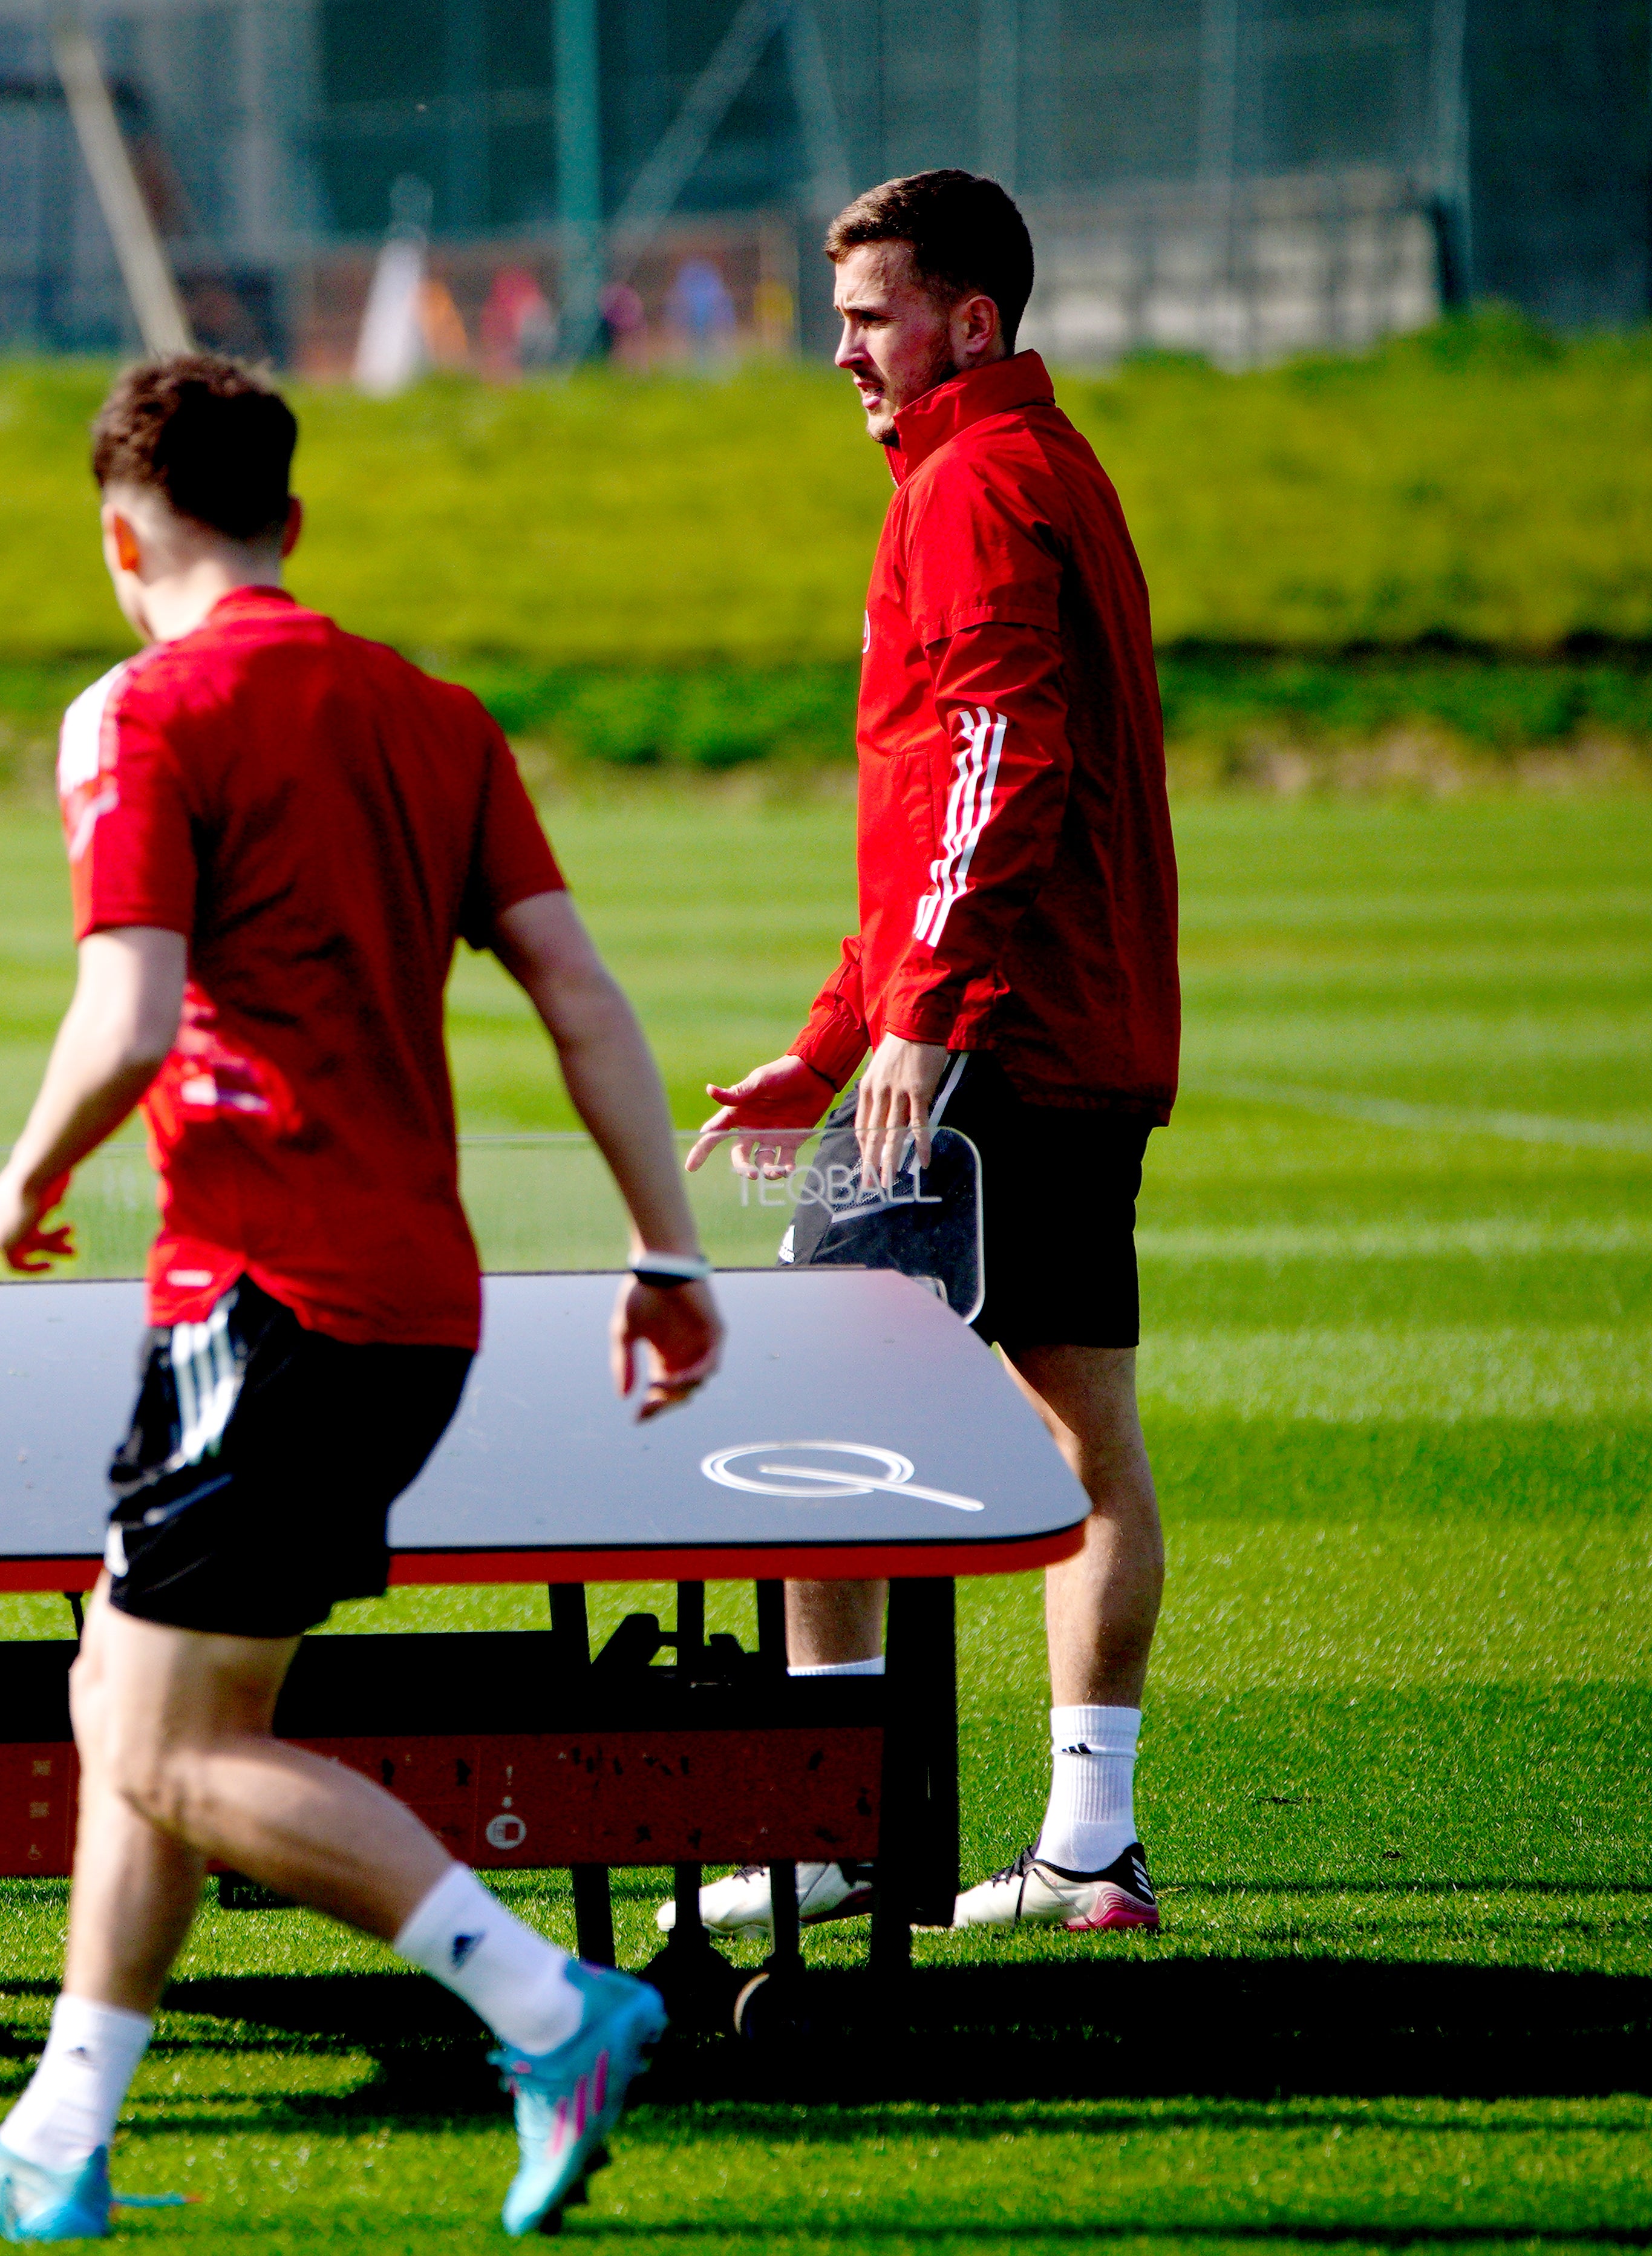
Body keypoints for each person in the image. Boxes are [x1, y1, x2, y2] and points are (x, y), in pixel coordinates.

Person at [0, 359, 723, 2245]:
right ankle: (58, 2145)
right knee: (127, 1698)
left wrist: (28, 1172)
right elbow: (578, 996)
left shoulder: (147, 713)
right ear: (294, 524)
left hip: (262, 1299)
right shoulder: (432, 713)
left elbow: (129, 1013)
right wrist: (669, 1252)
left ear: (115, 540)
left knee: (162, 1745)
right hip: (416, 1305)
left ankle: (552, 2011)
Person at [674, 170, 1178, 1942]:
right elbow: (929, 827)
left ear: (971, 321)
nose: (844, 355)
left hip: (987, 1054)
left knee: (819, 1424)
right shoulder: (1046, 469)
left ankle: (832, 1833)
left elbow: (995, 763)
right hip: (1059, 1042)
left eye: (872, 318)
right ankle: (1089, 1851)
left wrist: (913, 1023)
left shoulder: (969, 487)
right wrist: (826, 1047)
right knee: (1082, 1444)